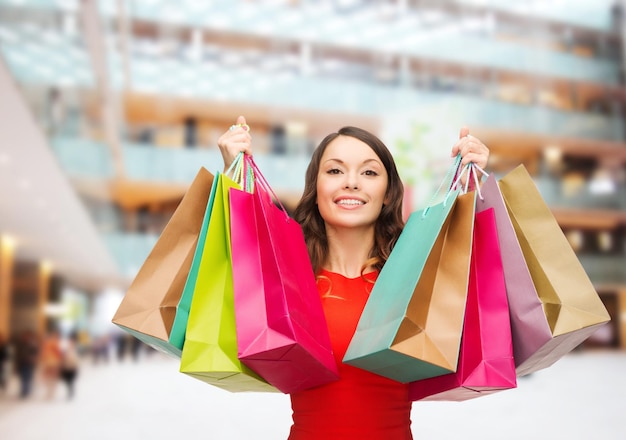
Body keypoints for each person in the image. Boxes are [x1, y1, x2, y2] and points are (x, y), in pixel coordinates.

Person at [218, 115, 489, 440]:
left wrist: (472, 196)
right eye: (334, 170)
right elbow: (235, 265)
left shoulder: (416, 278)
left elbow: (480, 306)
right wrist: (234, 173)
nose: (351, 182)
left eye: (369, 172)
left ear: (388, 193)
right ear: (316, 190)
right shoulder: (288, 277)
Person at [14, 329, 40, 398]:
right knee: (23, 377)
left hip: (29, 363)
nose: (25, 337)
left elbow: (36, 353)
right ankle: (24, 390)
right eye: (24, 336)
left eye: (27, 336)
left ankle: (26, 390)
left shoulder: (33, 344)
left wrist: (33, 359)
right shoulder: (20, 344)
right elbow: (17, 354)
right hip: (22, 363)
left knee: (28, 377)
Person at [40, 329, 62, 399]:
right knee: (52, 377)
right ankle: (51, 391)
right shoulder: (55, 343)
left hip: (50, 361)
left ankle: (50, 391)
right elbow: (58, 353)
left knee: (49, 377)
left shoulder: (49, 343)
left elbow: (44, 353)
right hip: (52, 361)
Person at [59, 332, 80, 400]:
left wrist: (76, 366)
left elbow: (77, 359)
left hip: (72, 367)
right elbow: (63, 356)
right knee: (67, 380)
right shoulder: (66, 348)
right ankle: (69, 390)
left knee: (71, 380)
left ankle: (70, 391)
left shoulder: (76, 349)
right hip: (66, 366)